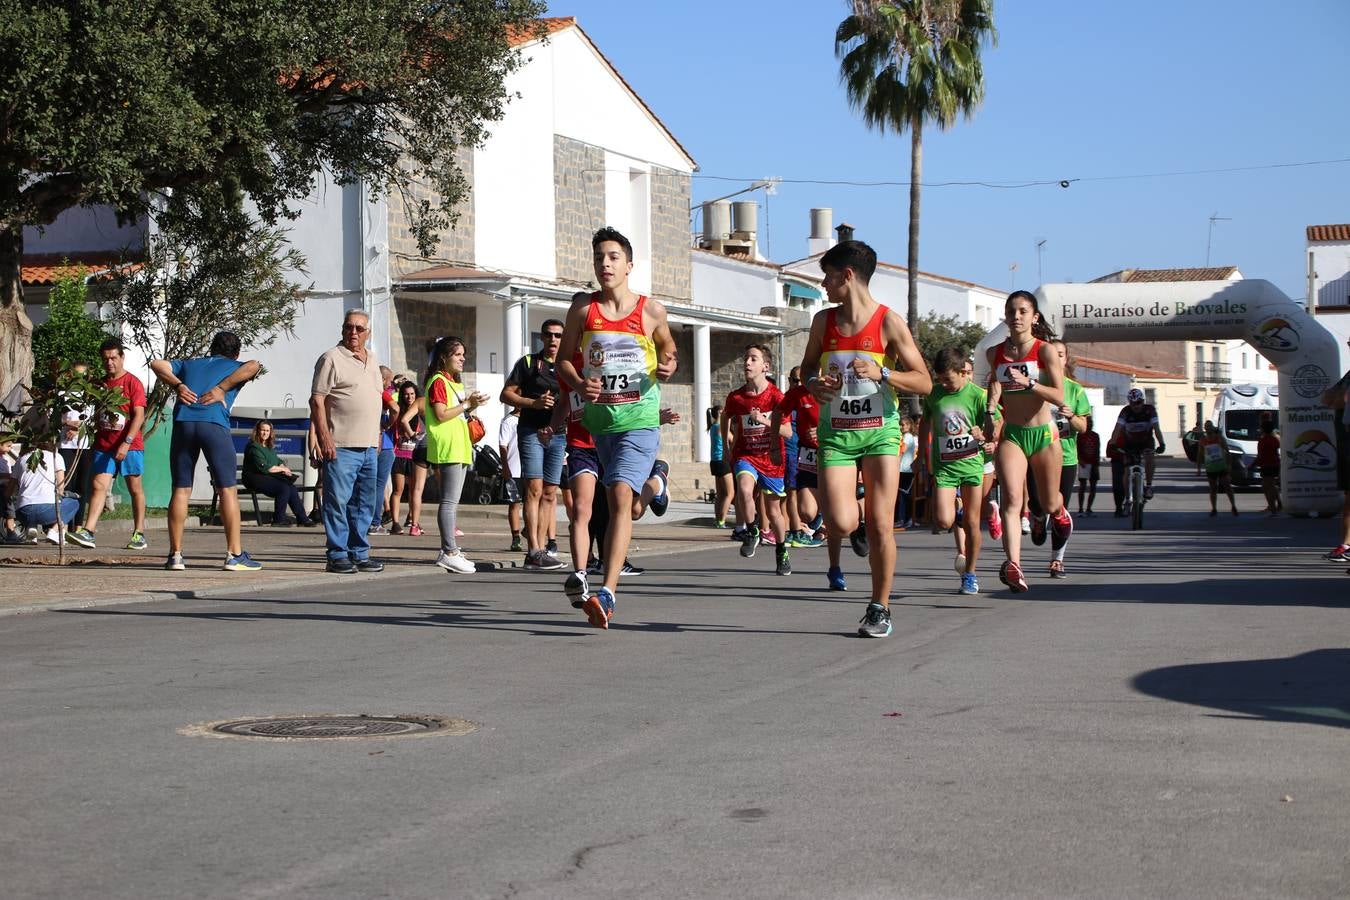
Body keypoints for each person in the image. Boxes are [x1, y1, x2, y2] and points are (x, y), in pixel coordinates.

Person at [799, 240, 930, 636]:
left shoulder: (889, 323)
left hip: (880, 434)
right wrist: (815, 384)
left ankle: (880, 606)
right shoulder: (823, 322)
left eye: (828, 276)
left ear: (848, 276)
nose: (824, 284)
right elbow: (804, 371)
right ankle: (856, 524)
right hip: (837, 434)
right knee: (838, 522)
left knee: (881, 525)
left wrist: (883, 374)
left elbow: (923, 381)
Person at [555, 226, 677, 629]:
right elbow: (564, 362)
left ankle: (607, 591)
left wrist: (668, 364)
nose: (604, 264)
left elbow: (669, 350)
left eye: (612, 257)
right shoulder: (582, 310)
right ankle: (657, 481)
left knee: (620, 495)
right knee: (625, 502)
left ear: (629, 265)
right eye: (598, 258)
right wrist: (577, 383)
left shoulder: (651, 310)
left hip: (640, 419)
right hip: (600, 423)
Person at [150, 331, 264, 571]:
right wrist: (222, 388)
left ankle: (175, 555)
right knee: (227, 490)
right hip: (214, 424)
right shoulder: (235, 366)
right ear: (236, 353)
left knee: (181, 489)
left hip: (183, 424)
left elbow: (157, 364)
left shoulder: (189, 364)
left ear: (211, 349)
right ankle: (234, 555)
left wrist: (179, 385)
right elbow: (255, 365)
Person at [985, 290, 1072, 593]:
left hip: (1044, 435)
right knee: (1012, 500)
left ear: (1034, 317)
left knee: (1048, 502)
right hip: (1013, 435)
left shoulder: (1045, 351)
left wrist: (1031, 383)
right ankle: (1014, 566)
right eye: (1011, 311)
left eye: (1023, 311)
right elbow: (994, 383)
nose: (1016, 317)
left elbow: (1059, 396)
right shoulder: (993, 352)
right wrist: (990, 407)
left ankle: (1060, 514)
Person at [310, 309, 386, 575]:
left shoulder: (373, 360)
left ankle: (359, 552)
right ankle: (337, 554)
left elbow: (375, 400)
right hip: (340, 444)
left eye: (359, 329)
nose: (353, 333)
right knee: (338, 502)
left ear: (368, 333)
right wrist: (324, 438)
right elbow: (317, 400)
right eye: (348, 327)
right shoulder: (331, 358)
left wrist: (377, 435)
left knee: (365, 504)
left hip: (368, 445)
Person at [920, 348, 992, 595]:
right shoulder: (934, 394)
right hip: (945, 467)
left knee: (973, 523)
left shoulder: (978, 395)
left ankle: (970, 574)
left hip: (972, 463)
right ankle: (956, 508)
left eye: (948, 379)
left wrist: (983, 435)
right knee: (942, 520)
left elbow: (996, 424)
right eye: (940, 379)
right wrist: (921, 453)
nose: (944, 383)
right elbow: (925, 422)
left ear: (964, 373)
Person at [66, 338, 149, 551]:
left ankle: (139, 533)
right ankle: (89, 531)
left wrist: (127, 442)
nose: (109, 362)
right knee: (98, 486)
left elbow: (139, 416)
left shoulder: (132, 383)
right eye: (105, 359)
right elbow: (93, 413)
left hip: (129, 445)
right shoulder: (99, 385)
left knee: (135, 488)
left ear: (122, 357)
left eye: (113, 358)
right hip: (104, 445)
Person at [501, 319, 566, 571]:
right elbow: (505, 394)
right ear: (541, 337)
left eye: (558, 336)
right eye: (549, 335)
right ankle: (534, 551)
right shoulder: (528, 363)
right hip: (531, 431)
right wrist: (533, 403)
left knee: (550, 493)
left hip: (558, 434)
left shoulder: (568, 365)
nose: (553, 340)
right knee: (534, 490)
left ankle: (544, 547)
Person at [723, 344, 792, 575]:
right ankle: (752, 530)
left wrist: (763, 421)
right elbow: (725, 417)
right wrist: (726, 445)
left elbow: (788, 432)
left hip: (772, 458)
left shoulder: (776, 396)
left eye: (753, 359)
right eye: (746, 359)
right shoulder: (737, 397)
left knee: (774, 512)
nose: (747, 363)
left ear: (766, 366)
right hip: (747, 455)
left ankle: (781, 550)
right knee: (743, 490)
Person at [425, 336, 490, 574]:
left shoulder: (452, 382)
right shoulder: (438, 380)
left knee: (453, 501)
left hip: (459, 444)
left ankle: (452, 549)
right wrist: (466, 405)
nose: (463, 358)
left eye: (464, 354)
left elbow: (456, 412)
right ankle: (448, 551)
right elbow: (441, 414)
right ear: (444, 357)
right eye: (458, 354)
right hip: (448, 445)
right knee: (449, 502)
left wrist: (472, 405)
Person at [1026, 339, 1089, 578]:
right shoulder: (1034, 385)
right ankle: (1037, 518)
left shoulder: (1075, 390)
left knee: (1060, 511)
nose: (1057, 359)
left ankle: (1057, 560)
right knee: (1037, 503)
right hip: (1038, 453)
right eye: (1052, 354)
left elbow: (1082, 427)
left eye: (1061, 354)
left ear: (1065, 359)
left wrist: (1071, 416)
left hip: (1065, 457)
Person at [775, 368, 823, 547]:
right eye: (795, 380)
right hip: (800, 452)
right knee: (801, 506)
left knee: (835, 503)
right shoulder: (792, 396)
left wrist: (823, 431)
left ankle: (825, 522)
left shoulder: (832, 390)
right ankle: (800, 529)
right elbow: (779, 418)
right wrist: (773, 446)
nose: (799, 384)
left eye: (801, 380)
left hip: (829, 452)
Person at [243, 421, 317, 527]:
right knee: (283, 488)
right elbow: (266, 468)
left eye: (267, 430)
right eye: (263, 430)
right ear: (257, 431)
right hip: (253, 478)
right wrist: (282, 469)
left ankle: (302, 519)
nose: (265, 433)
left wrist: (283, 467)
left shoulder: (268, 447)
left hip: (266, 477)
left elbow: (277, 460)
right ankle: (278, 519)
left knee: (291, 487)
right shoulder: (253, 447)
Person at [10, 436, 78, 544]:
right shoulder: (56, 457)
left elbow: (10, 489)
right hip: (46, 511)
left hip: (22, 511)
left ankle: (31, 528)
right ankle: (54, 531)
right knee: (73, 503)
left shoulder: (22, 459)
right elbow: (60, 487)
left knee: (31, 502)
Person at [1319, 352, 1350, 565]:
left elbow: (1339, 399)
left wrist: (1340, 399)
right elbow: (1328, 398)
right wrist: (1340, 398)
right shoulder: (1349, 376)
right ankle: (1346, 545)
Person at [57, 362, 95, 529]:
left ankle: (78, 525)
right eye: (76, 374)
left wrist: (78, 427)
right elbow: (55, 416)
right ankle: (63, 523)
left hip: (84, 445)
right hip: (65, 444)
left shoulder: (90, 395)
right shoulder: (62, 394)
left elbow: (92, 417)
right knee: (67, 484)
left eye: (82, 375)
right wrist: (68, 424)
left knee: (82, 485)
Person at [1111, 387, 1165, 500]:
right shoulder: (1125, 411)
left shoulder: (1150, 410)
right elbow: (1117, 429)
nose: (1136, 406)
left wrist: (1162, 443)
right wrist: (1113, 443)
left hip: (1146, 441)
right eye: (1133, 403)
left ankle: (1149, 486)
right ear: (1129, 403)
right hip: (1130, 443)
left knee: (1150, 457)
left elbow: (1156, 428)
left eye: (1139, 403)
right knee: (1126, 470)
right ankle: (1127, 499)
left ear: (1143, 401)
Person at [388, 380, 424, 535]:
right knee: (398, 490)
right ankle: (395, 523)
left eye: (412, 394)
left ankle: (413, 519)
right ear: (402, 396)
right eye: (406, 394)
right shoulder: (399, 412)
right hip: (399, 455)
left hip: (415, 455)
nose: (409, 397)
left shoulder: (420, 411)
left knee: (414, 491)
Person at [371, 366, 398, 535]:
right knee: (378, 485)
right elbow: (395, 409)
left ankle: (368, 521)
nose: (391, 384)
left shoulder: (368, 392)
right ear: (383, 379)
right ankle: (374, 522)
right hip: (384, 444)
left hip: (370, 442)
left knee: (368, 484)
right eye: (389, 381)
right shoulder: (382, 392)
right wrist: (387, 425)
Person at [497, 407, 524, 551]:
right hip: (514, 468)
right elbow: (503, 445)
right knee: (515, 503)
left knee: (534, 502)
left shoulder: (531, 420)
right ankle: (516, 537)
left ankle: (530, 530)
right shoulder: (508, 421)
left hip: (530, 468)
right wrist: (505, 466)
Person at [1199, 422, 1238, 516]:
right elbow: (1200, 454)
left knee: (1227, 487)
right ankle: (1214, 509)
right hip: (1210, 468)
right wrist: (1198, 468)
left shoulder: (1219, 438)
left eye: (1209, 426)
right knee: (1213, 489)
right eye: (1206, 427)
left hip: (1221, 467)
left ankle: (1233, 506)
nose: (1207, 428)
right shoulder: (1203, 440)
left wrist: (1229, 465)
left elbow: (1228, 452)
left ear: (1213, 428)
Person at [707, 404, 733, 528]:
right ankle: (722, 520)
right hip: (723, 461)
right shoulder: (720, 428)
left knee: (721, 494)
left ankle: (718, 520)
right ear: (720, 413)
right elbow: (732, 439)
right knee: (730, 493)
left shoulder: (712, 427)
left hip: (714, 462)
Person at [896, 414, 918, 530]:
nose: (901, 427)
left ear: (909, 426)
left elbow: (901, 451)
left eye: (903, 425)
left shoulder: (907, 437)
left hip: (905, 470)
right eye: (900, 424)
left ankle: (904, 519)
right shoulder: (904, 436)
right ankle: (903, 519)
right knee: (902, 495)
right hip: (902, 469)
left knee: (903, 495)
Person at [1256, 416, 1282, 515]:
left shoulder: (1263, 440)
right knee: (1270, 485)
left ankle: (1273, 508)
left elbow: (1260, 455)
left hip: (1267, 465)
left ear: (1263, 429)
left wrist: (1252, 465)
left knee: (1267, 487)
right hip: (1275, 464)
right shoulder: (1275, 439)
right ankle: (1276, 505)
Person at [1077, 416, 1101, 515]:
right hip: (1084, 463)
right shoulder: (1080, 435)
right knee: (1082, 486)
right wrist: (1079, 460)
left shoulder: (1095, 436)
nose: (1090, 424)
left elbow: (1097, 450)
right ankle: (1081, 508)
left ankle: (1089, 508)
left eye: (1091, 422)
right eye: (1088, 422)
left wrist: (1097, 463)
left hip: (1093, 464)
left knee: (1093, 487)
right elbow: (1076, 448)